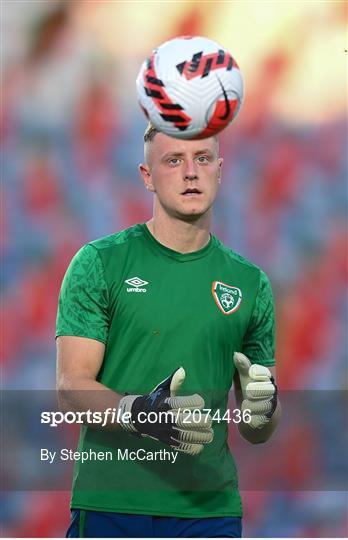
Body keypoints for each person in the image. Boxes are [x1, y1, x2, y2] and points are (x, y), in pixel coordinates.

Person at [56, 123, 281, 538]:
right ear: (147, 176)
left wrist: (263, 408)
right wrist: (139, 413)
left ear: (220, 170)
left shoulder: (251, 284)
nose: (190, 172)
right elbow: (71, 386)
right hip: (113, 503)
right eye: (173, 160)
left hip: (209, 510)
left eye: (202, 159)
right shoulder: (98, 263)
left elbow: (257, 428)